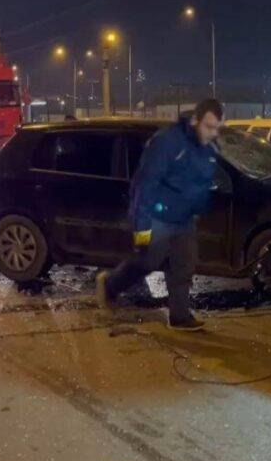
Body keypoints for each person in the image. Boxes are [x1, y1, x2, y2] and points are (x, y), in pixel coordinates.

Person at [96, 98, 224, 331]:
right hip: (157, 217)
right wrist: (142, 229)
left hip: (184, 219)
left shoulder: (209, 148)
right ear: (196, 120)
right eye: (209, 126)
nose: (213, 133)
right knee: (147, 260)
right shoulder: (167, 142)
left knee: (184, 265)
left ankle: (179, 316)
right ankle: (110, 285)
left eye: (217, 128)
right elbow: (145, 185)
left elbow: (200, 183)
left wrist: (197, 209)